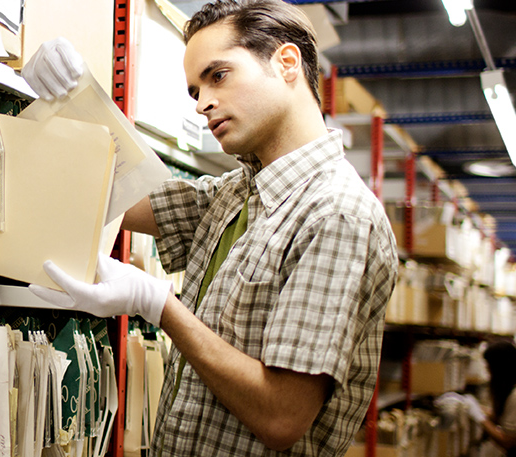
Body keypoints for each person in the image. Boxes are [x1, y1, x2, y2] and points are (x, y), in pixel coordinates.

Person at [22, 0, 399, 455]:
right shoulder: (237, 193)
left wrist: (158, 305)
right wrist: (73, 96)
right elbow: (124, 193)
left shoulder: (337, 215)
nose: (203, 103)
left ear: (286, 63)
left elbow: (282, 417)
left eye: (217, 76)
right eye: (194, 91)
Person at [455, 342, 516, 457]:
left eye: (489, 367)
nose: (488, 372)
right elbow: (505, 417)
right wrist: (478, 408)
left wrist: (480, 418)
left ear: (499, 368)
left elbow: (507, 440)